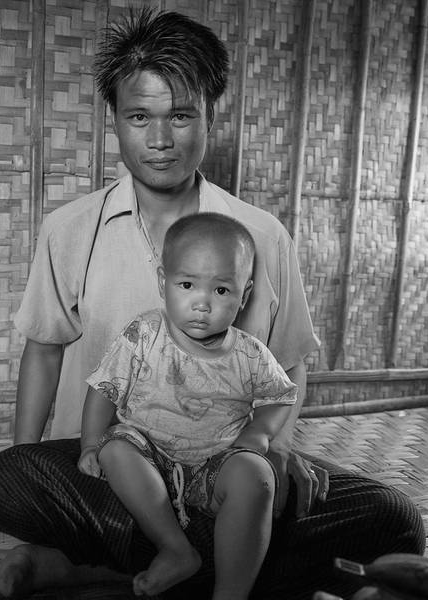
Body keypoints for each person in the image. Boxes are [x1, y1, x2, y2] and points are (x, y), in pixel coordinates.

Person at [0, 7, 425, 599]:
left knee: (393, 519)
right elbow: (42, 353)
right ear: (115, 120)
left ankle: (97, 565)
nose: (160, 140)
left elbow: (290, 364)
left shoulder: (260, 236)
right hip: (111, 468)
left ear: (210, 116)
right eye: (140, 116)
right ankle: (228, 560)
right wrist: (29, 465)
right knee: (7, 481)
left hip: (223, 467)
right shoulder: (70, 229)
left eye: (181, 116)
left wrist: (275, 448)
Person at [78, 212, 298, 599]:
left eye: (221, 290)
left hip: (215, 465)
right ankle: (176, 549)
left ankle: (231, 593)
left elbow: (280, 396)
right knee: (116, 448)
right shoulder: (145, 333)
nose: (202, 303)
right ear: (162, 282)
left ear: (245, 294)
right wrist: (89, 445)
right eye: (187, 285)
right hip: (147, 455)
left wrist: (259, 433)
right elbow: (104, 389)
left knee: (257, 475)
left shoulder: (249, 354)